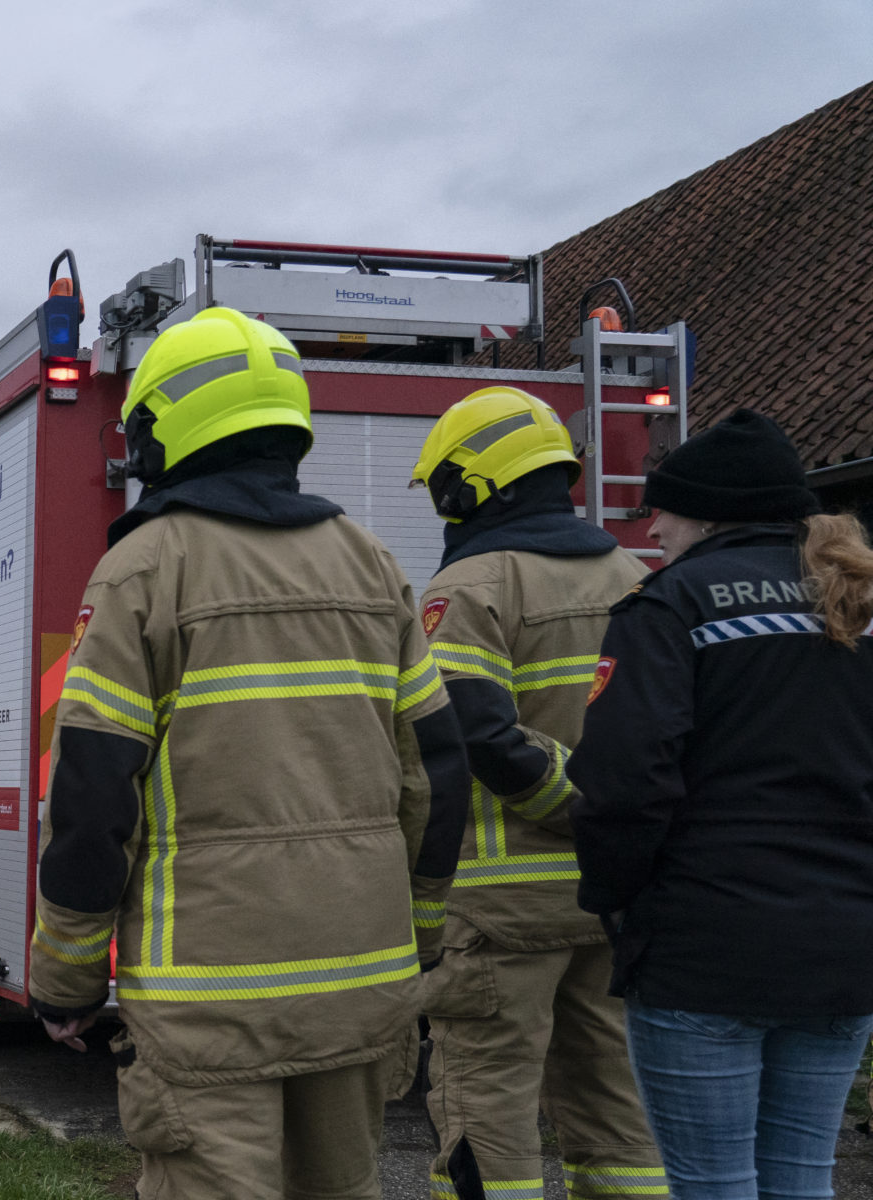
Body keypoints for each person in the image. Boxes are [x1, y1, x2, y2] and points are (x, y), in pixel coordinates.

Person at [28, 306, 470, 1199]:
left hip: (210, 1007)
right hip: (360, 987)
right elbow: (439, 772)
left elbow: (92, 792)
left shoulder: (146, 569)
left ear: (164, 430)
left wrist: (67, 975)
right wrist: (416, 939)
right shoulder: (374, 565)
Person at [569, 409, 873, 1197]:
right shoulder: (861, 607)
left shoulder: (670, 606)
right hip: (845, 945)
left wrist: (615, 901)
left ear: (704, 512)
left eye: (662, 510)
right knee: (803, 1182)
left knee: (711, 1185)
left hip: (703, 947)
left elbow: (623, 782)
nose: (655, 527)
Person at [406, 387, 664, 1199]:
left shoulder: (474, 585)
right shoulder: (634, 575)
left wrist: (571, 807)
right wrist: (614, 824)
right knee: (617, 1111)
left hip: (501, 913)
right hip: (613, 898)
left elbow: (474, 734)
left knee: (487, 1110)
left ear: (471, 486)